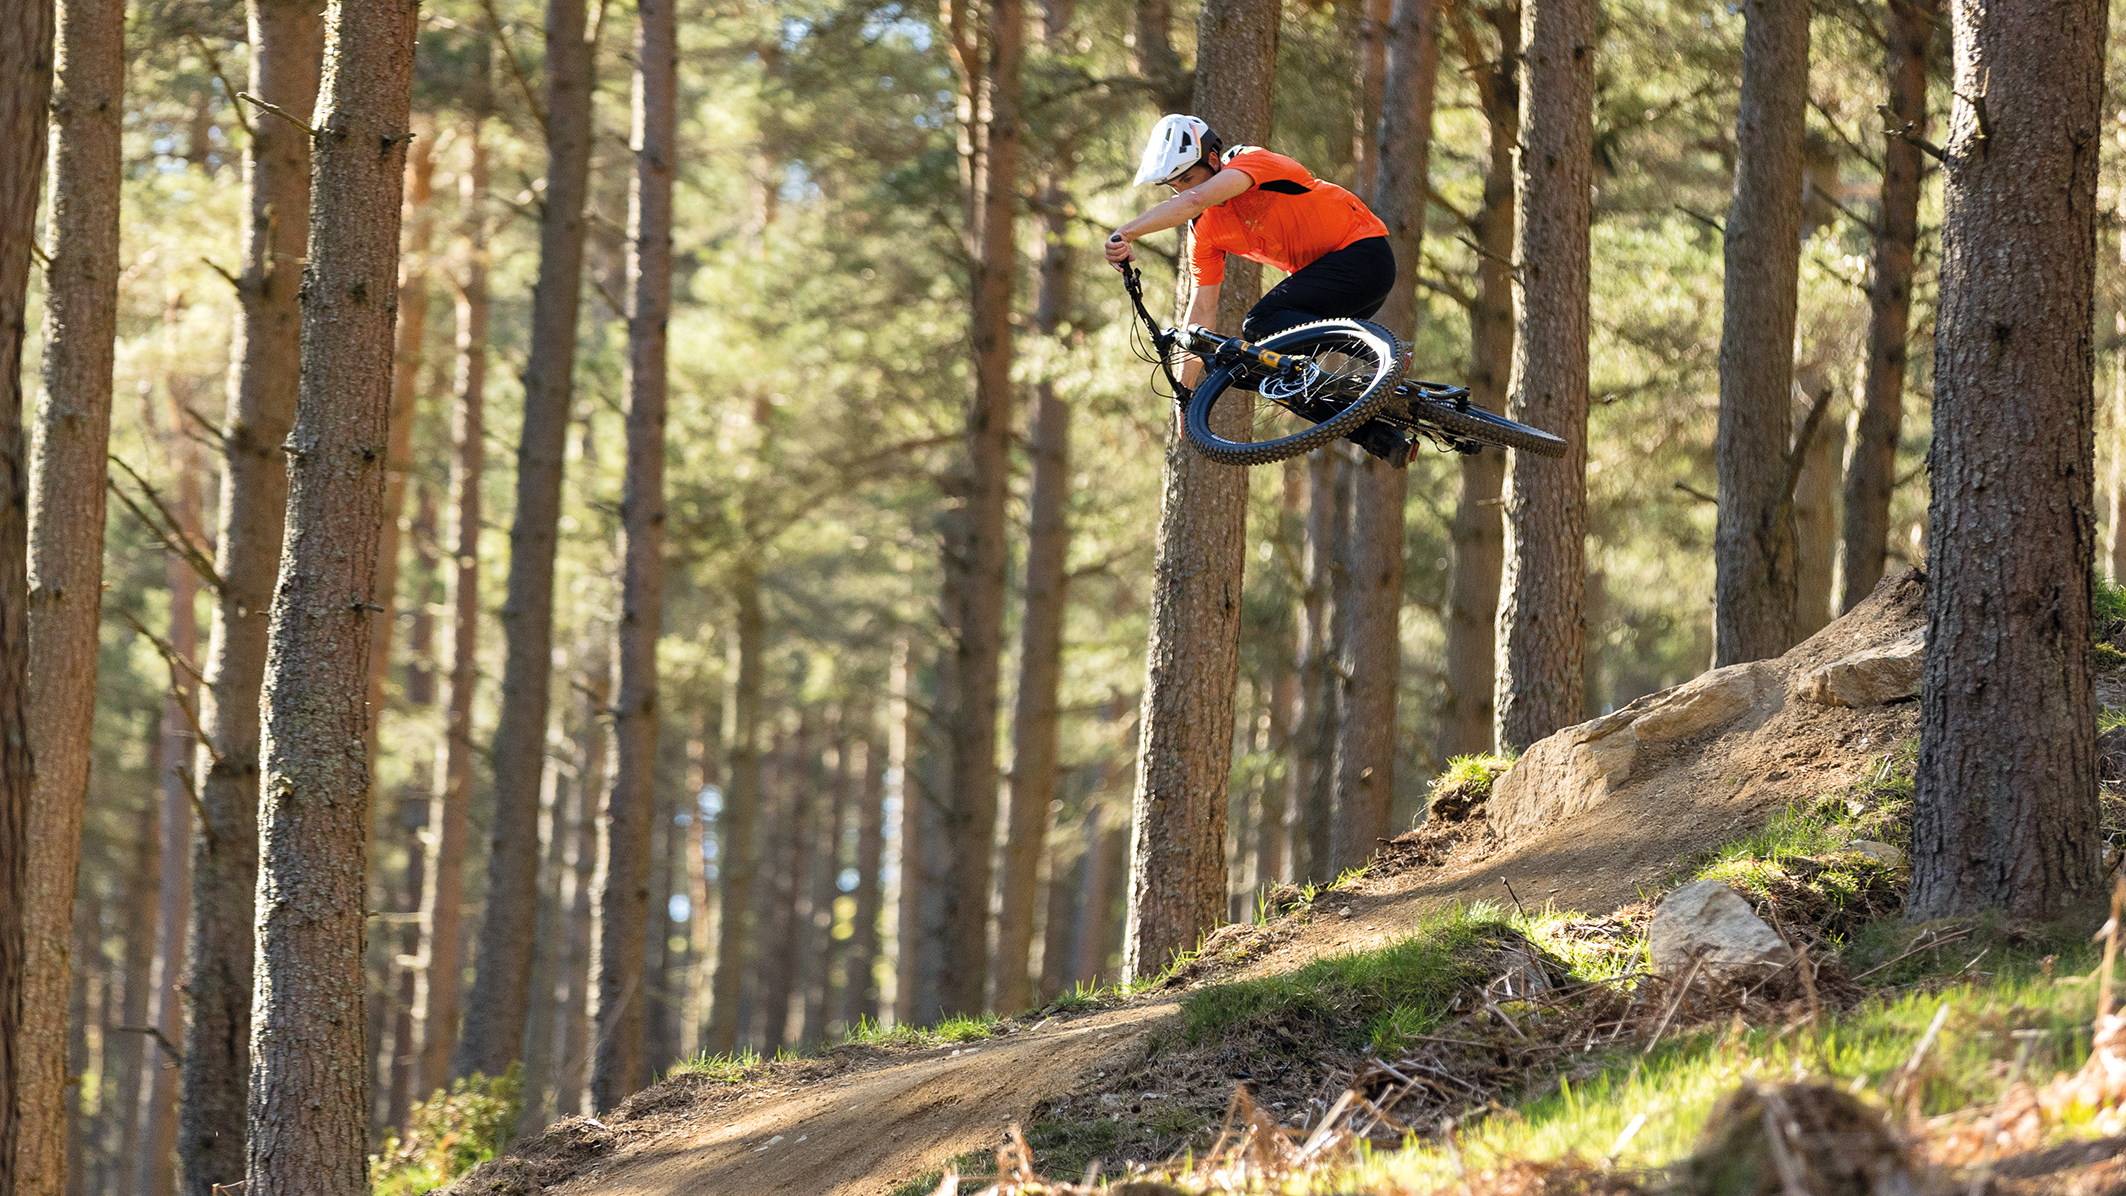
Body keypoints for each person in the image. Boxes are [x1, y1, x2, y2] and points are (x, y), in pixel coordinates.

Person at [1104, 114, 1410, 463]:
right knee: (1251, 368)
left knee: (1259, 323)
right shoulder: (1203, 231)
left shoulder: (1251, 161)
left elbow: (1192, 201)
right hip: (1330, 292)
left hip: (1363, 253)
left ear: (1214, 159)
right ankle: (1380, 435)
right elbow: (1202, 310)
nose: (1184, 190)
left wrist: (1126, 233)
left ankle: (1383, 354)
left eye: (1189, 177)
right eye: (1176, 185)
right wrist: (1184, 394)